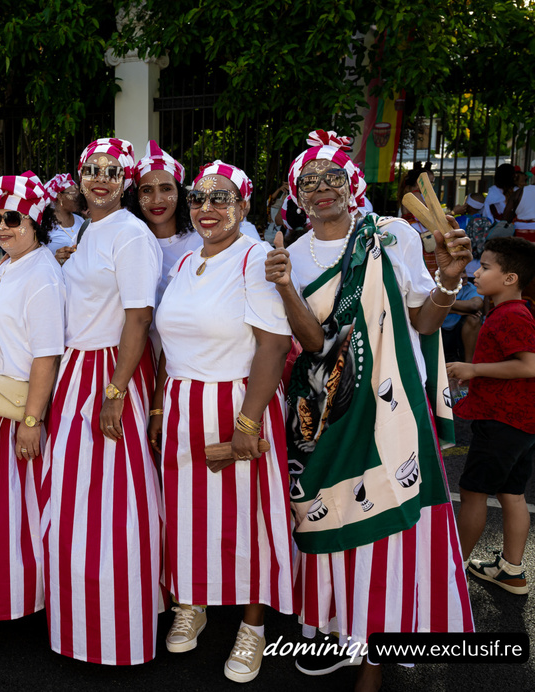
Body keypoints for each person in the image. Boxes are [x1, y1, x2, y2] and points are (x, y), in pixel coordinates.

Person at [264, 130, 473, 691]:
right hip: (323, 409)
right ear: (297, 194)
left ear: (353, 185)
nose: (323, 188)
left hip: (393, 402)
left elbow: (424, 323)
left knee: (385, 526)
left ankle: (376, 656)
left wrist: (450, 279)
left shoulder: (391, 235)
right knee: (326, 513)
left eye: (334, 177)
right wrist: (285, 287)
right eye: (310, 181)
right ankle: (336, 628)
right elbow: (310, 342)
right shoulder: (290, 253)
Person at [149, 161, 294, 683]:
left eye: (221, 198)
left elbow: (274, 346)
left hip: (238, 403)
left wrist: (247, 427)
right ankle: (193, 601)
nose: (207, 208)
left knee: (247, 519)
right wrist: (162, 406)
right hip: (185, 400)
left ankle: (253, 626)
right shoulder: (188, 260)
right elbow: (169, 342)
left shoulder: (255, 258)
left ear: (244, 205)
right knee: (187, 514)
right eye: (199, 198)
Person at [41, 137, 163, 665]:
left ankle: (116, 634)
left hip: (107, 373)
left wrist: (115, 391)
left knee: (113, 510)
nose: (100, 178)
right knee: (75, 507)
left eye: (112, 172)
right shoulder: (94, 229)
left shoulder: (132, 235)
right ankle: (78, 622)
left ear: (126, 181)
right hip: (76, 372)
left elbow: (139, 319)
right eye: (92, 169)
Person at [0, 171, 65, 621]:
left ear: (35, 219)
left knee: (19, 517)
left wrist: (32, 421)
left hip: (16, 411)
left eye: (13, 217)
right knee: (1, 515)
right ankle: (1, 596)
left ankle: (22, 600)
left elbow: (46, 355)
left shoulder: (42, 274)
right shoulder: (9, 265)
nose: (2, 226)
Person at [448, 237, 535, 595]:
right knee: (511, 493)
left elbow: (529, 366)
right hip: (520, 422)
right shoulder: (508, 309)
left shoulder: (513, 314)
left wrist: (474, 369)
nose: (476, 272)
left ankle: (453, 569)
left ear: (510, 278)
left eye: (484, 267)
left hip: (503, 420)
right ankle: (511, 571)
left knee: (472, 492)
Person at [129, 140, 201, 354]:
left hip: (191, 356)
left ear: (179, 193)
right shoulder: (128, 243)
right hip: (140, 356)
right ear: (136, 196)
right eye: (147, 190)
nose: (157, 199)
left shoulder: (202, 241)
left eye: (166, 188)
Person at [441, 274, 483, 363]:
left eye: (464, 271)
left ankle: (469, 364)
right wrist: (457, 311)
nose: (464, 276)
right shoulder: (435, 287)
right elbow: (425, 307)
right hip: (439, 331)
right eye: (459, 273)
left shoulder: (469, 288)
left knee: (474, 319)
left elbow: (475, 305)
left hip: (458, 332)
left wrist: (441, 304)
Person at [44, 173, 86, 253]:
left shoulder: (81, 221)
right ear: (60, 196)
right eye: (74, 194)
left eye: (78, 194)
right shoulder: (46, 225)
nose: (78, 198)